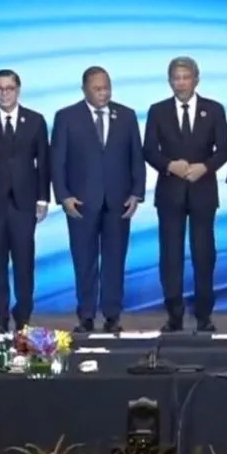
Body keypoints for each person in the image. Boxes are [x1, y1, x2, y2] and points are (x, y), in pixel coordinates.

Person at [51, 66, 146, 334]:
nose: (104, 93)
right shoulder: (67, 117)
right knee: (84, 261)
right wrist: (64, 196)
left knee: (115, 261)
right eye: (97, 89)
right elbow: (57, 161)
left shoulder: (126, 116)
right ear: (84, 90)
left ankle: (113, 315)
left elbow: (136, 157)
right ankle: (86, 315)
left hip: (119, 202)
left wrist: (136, 193)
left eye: (107, 88)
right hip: (80, 203)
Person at [142, 56, 227, 333]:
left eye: (185, 77)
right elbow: (149, 150)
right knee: (171, 255)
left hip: (203, 191)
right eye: (176, 78)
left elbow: (224, 149)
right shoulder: (157, 111)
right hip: (170, 192)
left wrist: (205, 167)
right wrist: (170, 165)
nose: (181, 83)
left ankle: (204, 315)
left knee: (204, 254)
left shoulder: (213, 109)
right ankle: (174, 315)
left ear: (196, 79)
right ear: (170, 82)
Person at [0, 69, 50, 333]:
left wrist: (43, 198)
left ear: (18, 90)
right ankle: (0, 317)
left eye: (9, 88)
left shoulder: (35, 121)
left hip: (25, 204)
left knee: (24, 263)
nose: (4, 94)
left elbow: (43, 162)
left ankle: (23, 315)